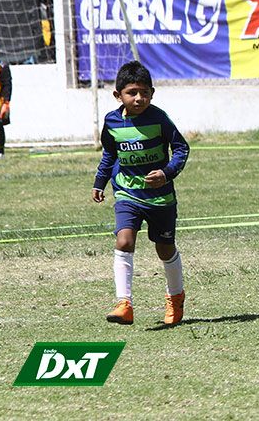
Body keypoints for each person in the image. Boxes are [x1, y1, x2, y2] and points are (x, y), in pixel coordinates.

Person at [92, 60, 190, 326]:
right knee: (124, 241)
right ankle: (124, 304)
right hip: (126, 192)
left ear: (152, 93)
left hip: (160, 198)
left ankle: (175, 297)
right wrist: (100, 182)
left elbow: (181, 149)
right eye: (132, 93)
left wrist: (166, 173)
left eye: (144, 92)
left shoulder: (159, 119)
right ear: (118, 95)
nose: (139, 98)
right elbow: (110, 154)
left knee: (165, 248)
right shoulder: (112, 122)